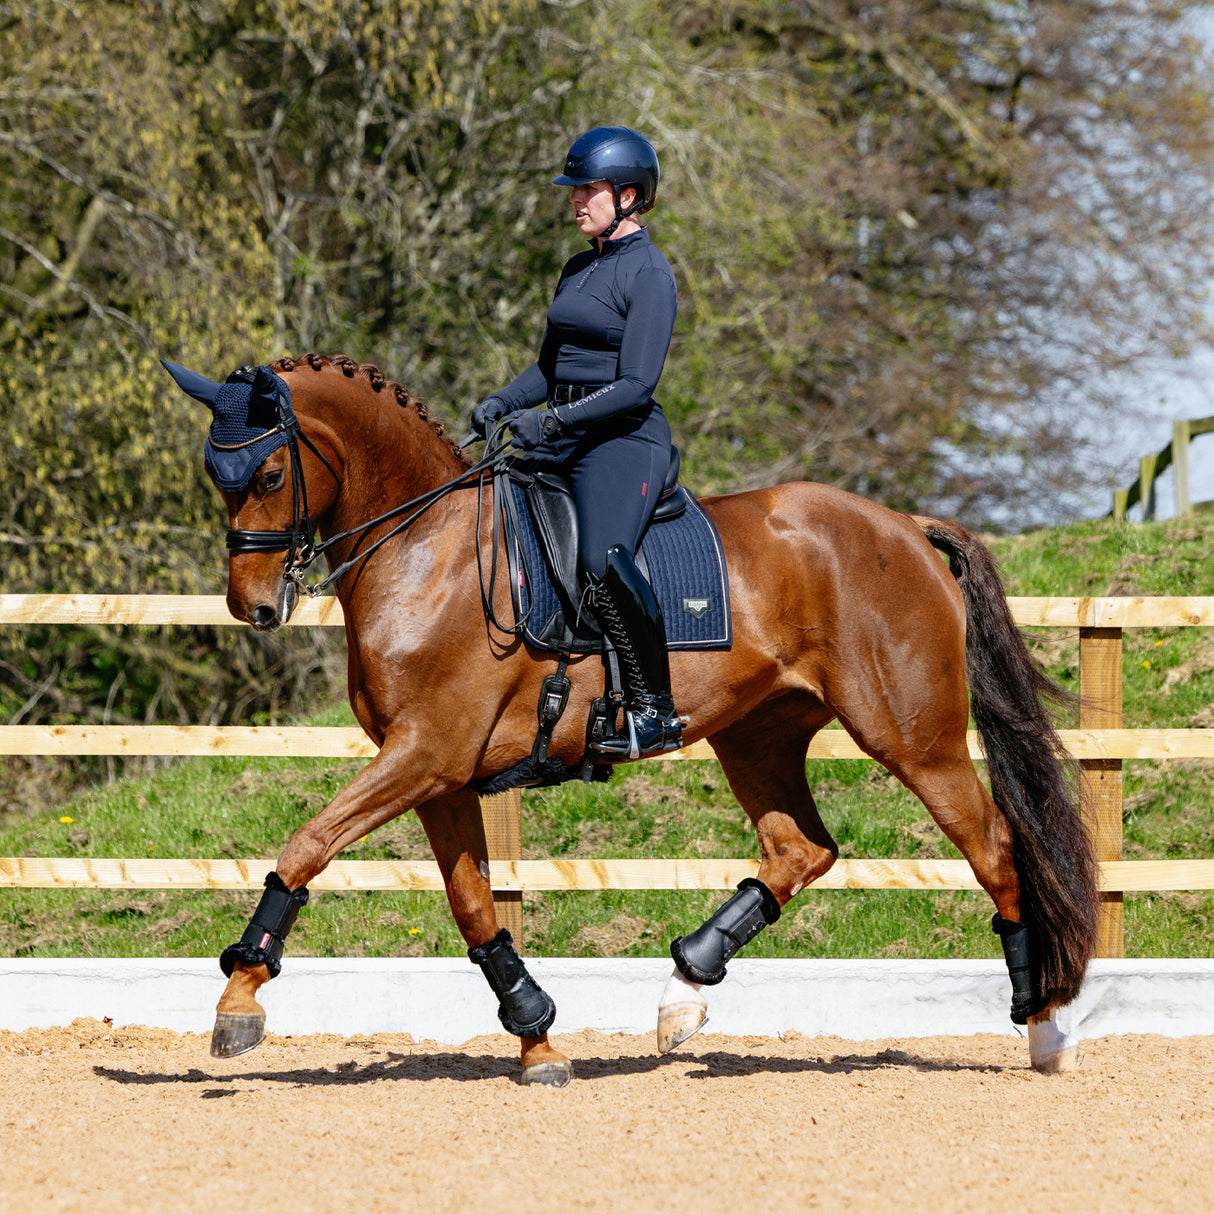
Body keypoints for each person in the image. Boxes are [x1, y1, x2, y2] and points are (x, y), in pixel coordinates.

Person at [471, 125, 684, 761]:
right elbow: (552, 368)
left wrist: (555, 423)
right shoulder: (577, 268)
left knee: (601, 555)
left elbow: (637, 385)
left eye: (587, 189)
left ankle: (654, 709)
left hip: (621, 441)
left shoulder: (651, 274)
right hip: (562, 435)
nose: (575, 200)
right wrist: (506, 401)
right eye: (575, 189)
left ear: (628, 196)